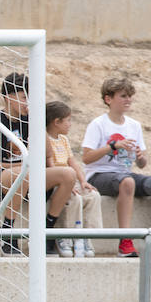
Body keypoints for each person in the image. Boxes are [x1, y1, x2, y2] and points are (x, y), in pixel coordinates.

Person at [0, 72, 78, 256]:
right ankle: (7, 232)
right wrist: (24, 168)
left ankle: (46, 230)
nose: (29, 102)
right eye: (25, 97)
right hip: (0, 179)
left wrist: (38, 124)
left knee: (68, 174)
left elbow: (48, 156)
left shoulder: (31, 121)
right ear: (9, 98)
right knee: (22, 174)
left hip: (29, 177)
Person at [80, 77, 151, 257]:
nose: (128, 100)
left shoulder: (134, 125)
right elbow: (86, 158)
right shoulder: (98, 124)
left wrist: (140, 157)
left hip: (125, 174)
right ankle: (125, 241)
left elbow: (142, 163)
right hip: (100, 175)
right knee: (128, 182)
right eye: (123, 96)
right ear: (108, 99)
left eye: (130, 96)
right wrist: (113, 146)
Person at [45, 100, 102, 257]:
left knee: (93, 196)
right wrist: (70, 185)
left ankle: (86, 236)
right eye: (68, 120)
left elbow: (73, 163)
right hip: (59, 181)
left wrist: (83, 181)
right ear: (56, 122)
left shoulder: (64, 140)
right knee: (74, 200)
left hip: (71, 179)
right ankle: (66, 235)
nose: (70, 124)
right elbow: (51, 167)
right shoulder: (45, 140)